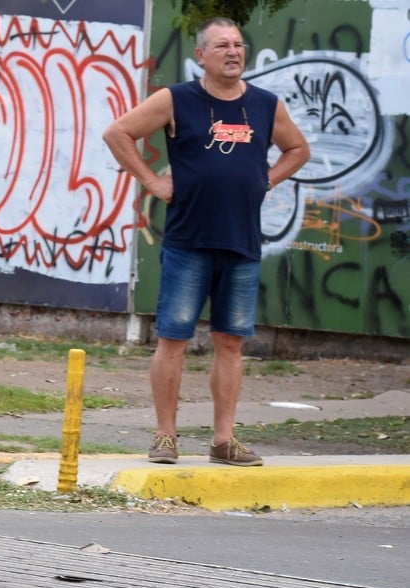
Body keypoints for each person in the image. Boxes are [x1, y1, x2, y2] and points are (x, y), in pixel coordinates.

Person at [102, 17, 310, 468]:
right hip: (188, 240)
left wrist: (264, 181)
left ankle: (223, 440)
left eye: (238, 44)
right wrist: (152, 182)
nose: (233, 52)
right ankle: (164, 437)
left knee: (230, 343)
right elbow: (117, 133)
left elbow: (298, 149)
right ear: (201, 55)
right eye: (221, 46)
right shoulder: (176, 99)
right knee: (173, 339)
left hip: (241, 243)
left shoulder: (265, 105)